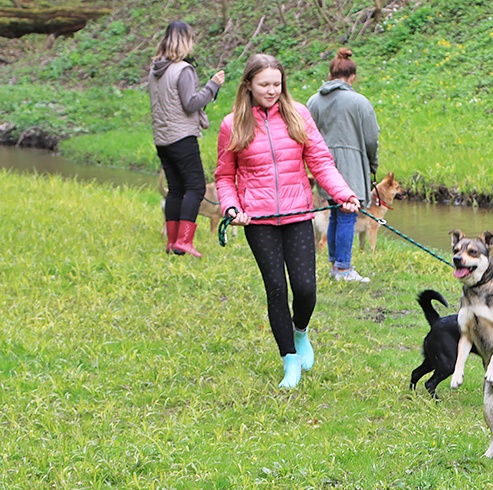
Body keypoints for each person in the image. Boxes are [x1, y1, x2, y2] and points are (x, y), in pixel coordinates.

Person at [215, 54, 360, 389]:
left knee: (306, 289)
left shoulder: (299, 115)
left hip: (297, 214)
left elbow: (321, 162)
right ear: (248, 85)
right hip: (259, 220)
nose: (271, 91)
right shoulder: (232, 125)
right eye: (264, 84)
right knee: (276, 289)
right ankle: (289, 362)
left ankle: (300, 332)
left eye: (277, 84)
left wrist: (343, 194)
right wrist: (232, 209)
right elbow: (225, 176)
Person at [149, 20, 225, 257]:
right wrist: (212, 86)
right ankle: (185, 241)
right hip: (182, 136)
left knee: (175, 189)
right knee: (196, 187)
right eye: (191, 40)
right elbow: (191, 103)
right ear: (185, 41)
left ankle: (172, 242)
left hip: (162, 138)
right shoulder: (183, 70)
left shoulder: (155, 70)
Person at [306, 47, 380, 283]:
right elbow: (371, 138)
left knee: (335, 214)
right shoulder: (360, 102)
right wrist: (372, 163)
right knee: (348, 213)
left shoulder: (313, 101)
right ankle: (344, 269)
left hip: (323, 165)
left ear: (330, 75)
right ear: (352, 77)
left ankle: (334, 266)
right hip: (351, 163)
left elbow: (306, 133)